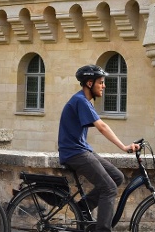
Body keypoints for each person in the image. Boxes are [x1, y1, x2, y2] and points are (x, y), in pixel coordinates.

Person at [58, 65, 139, 232]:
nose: (104, 86)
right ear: (89, 83)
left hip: (81, 150)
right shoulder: (81, 100)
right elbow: (101, 126)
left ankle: (82, 207)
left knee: (117, 177)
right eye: (101, 82)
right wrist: (124, 147)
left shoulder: (84, 100)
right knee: (109, 188)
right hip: (74, 153)